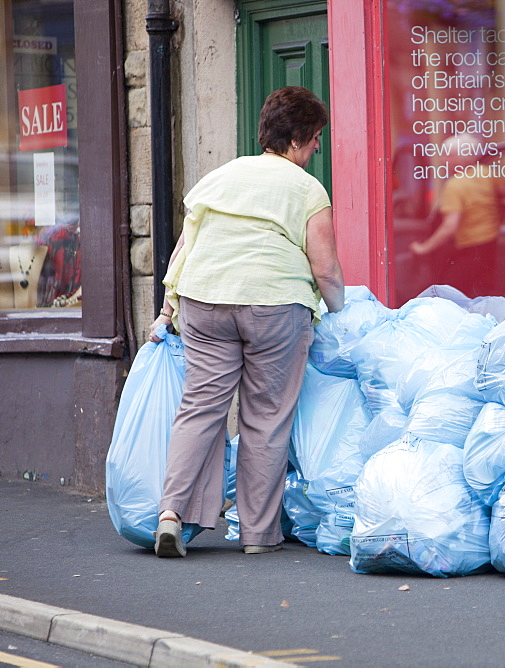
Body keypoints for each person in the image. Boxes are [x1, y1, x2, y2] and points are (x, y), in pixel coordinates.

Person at [146, 86, 345, 557]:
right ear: (298, 139)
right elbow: (326, 269)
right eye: (316, 138)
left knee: (200, 406)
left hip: (205, 298)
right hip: (275, 304)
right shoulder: (307, 189)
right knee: (266, 419)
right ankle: (258, 536)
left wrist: (167, 308)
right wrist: (342, 312)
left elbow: (184, 248)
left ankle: (170, 513)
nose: (318, 148)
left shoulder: (221, 177)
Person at [409, 134, 503, 297]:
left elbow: (449, 227)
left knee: (447, 293)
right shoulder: (487, 173)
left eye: (448, 155)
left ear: (464, 158)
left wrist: (425, 247)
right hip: (490, 245)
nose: (443, 159)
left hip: (470, 248)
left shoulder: (455, 184)